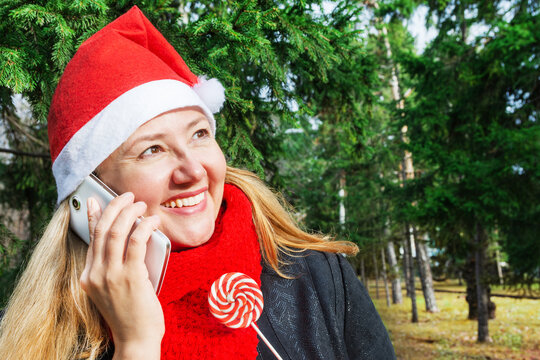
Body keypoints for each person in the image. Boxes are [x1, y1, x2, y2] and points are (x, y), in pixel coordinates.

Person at [0, 6, 395, 360]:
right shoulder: (53, 337)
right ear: (92, 195)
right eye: (152, 150)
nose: (193, 171)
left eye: (200, 134)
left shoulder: (318, 278)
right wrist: (135, 346)